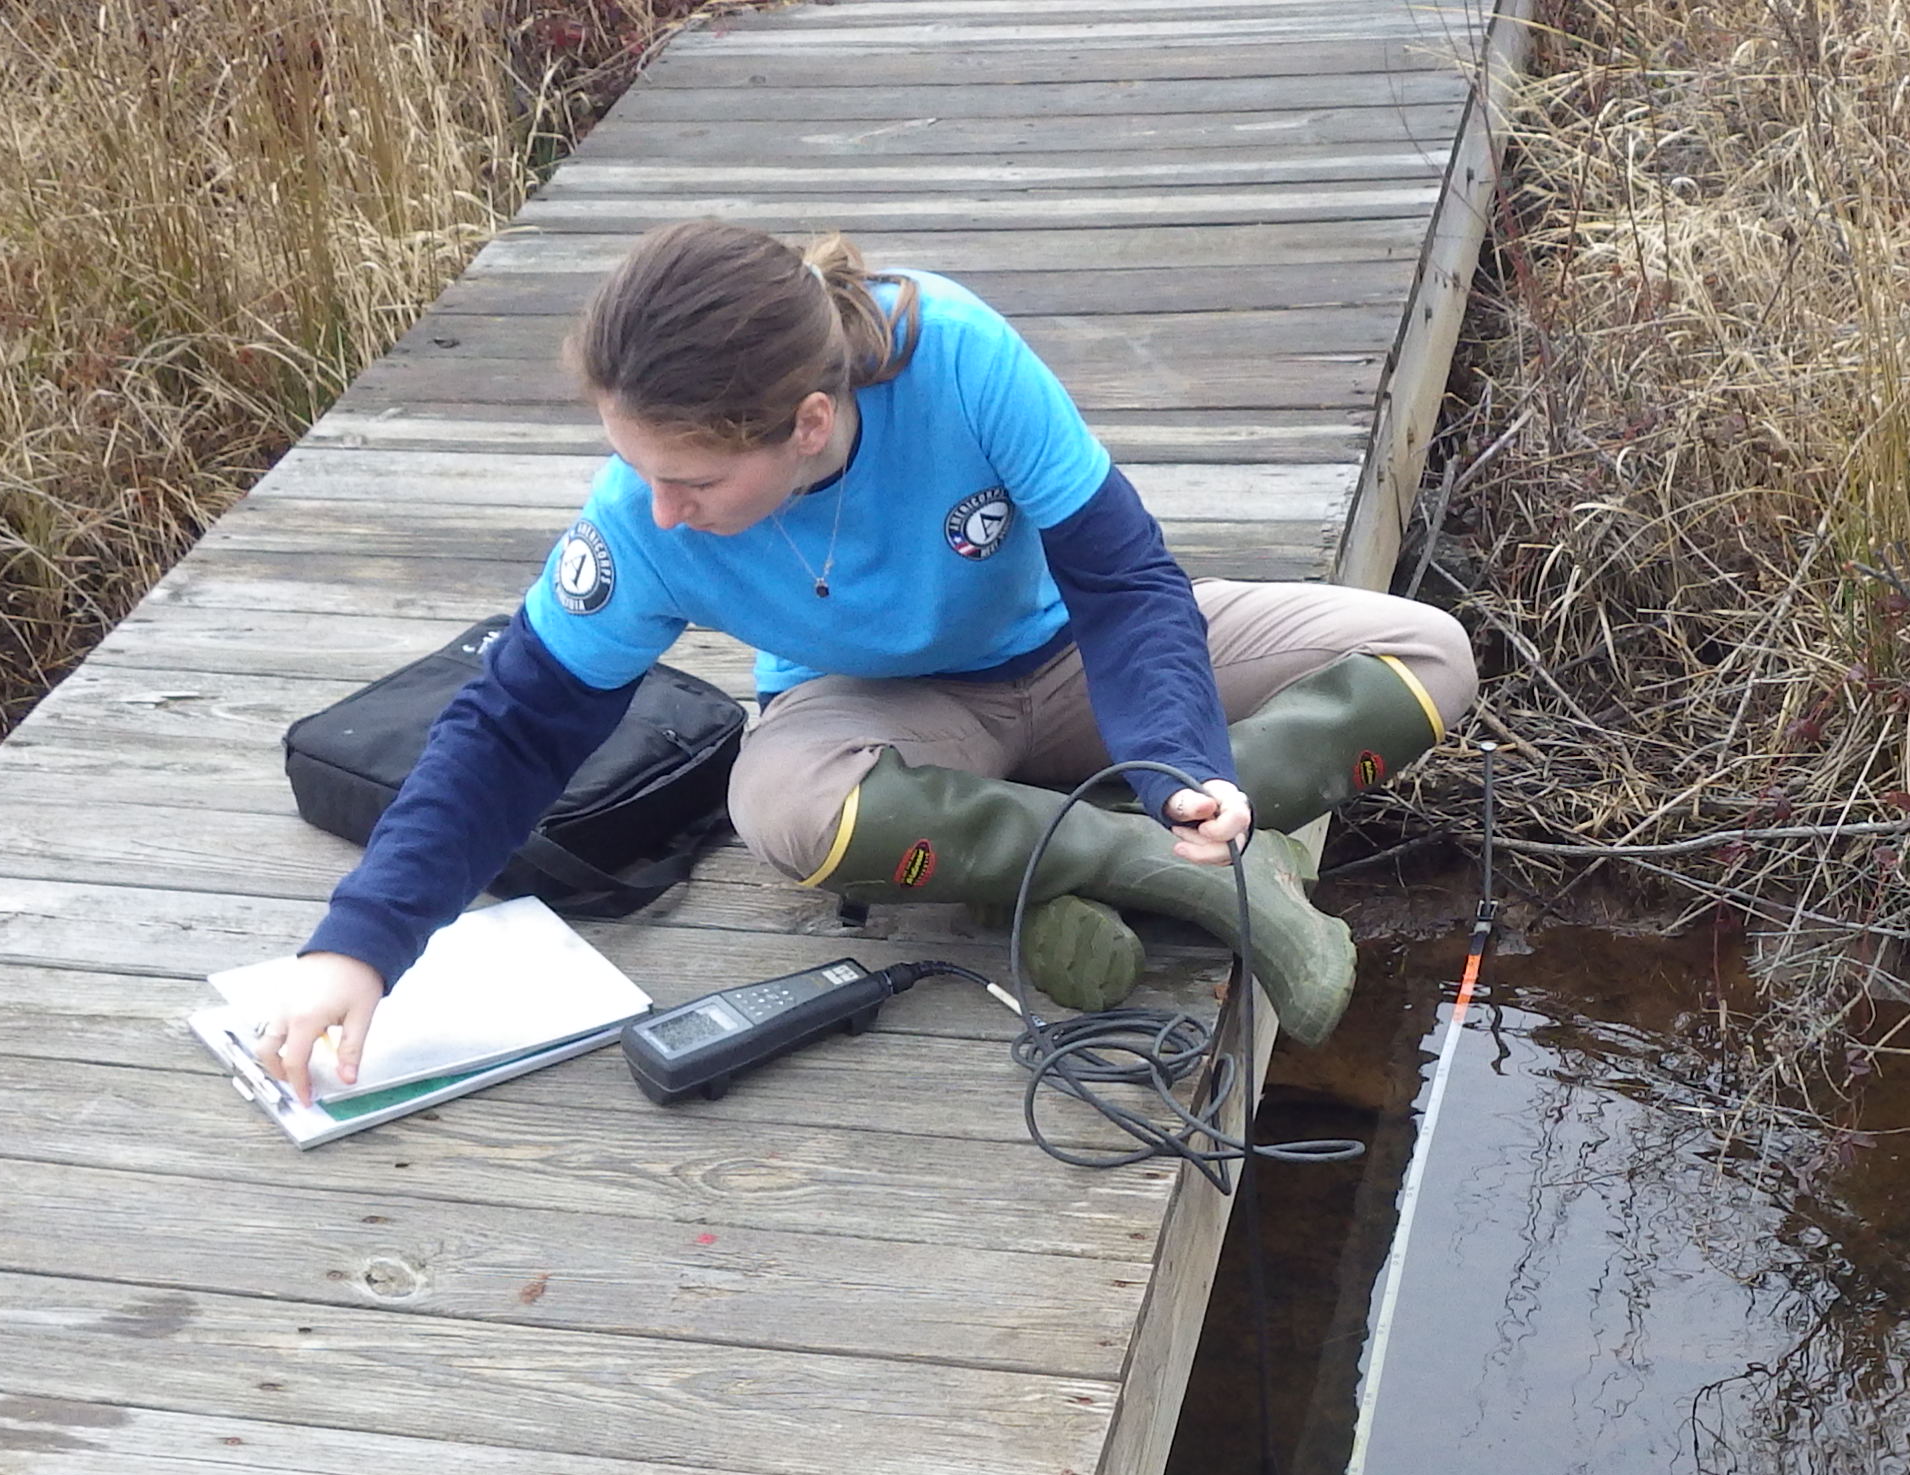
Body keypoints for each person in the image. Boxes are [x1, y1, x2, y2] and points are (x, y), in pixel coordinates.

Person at [256, 219, 1475, 1096]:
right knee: (784, 810)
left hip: (1076, 655)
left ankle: (1069, 865)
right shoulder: (641, 520)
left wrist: (1178, 761)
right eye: (638, 468)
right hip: (879, 715)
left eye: (693, 478)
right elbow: (515, 730)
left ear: (808, 424)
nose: (661, 509)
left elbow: (1123, 581)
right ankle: (1202, 875)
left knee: (1428, 656)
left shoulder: (959, 354)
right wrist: (359, 945)